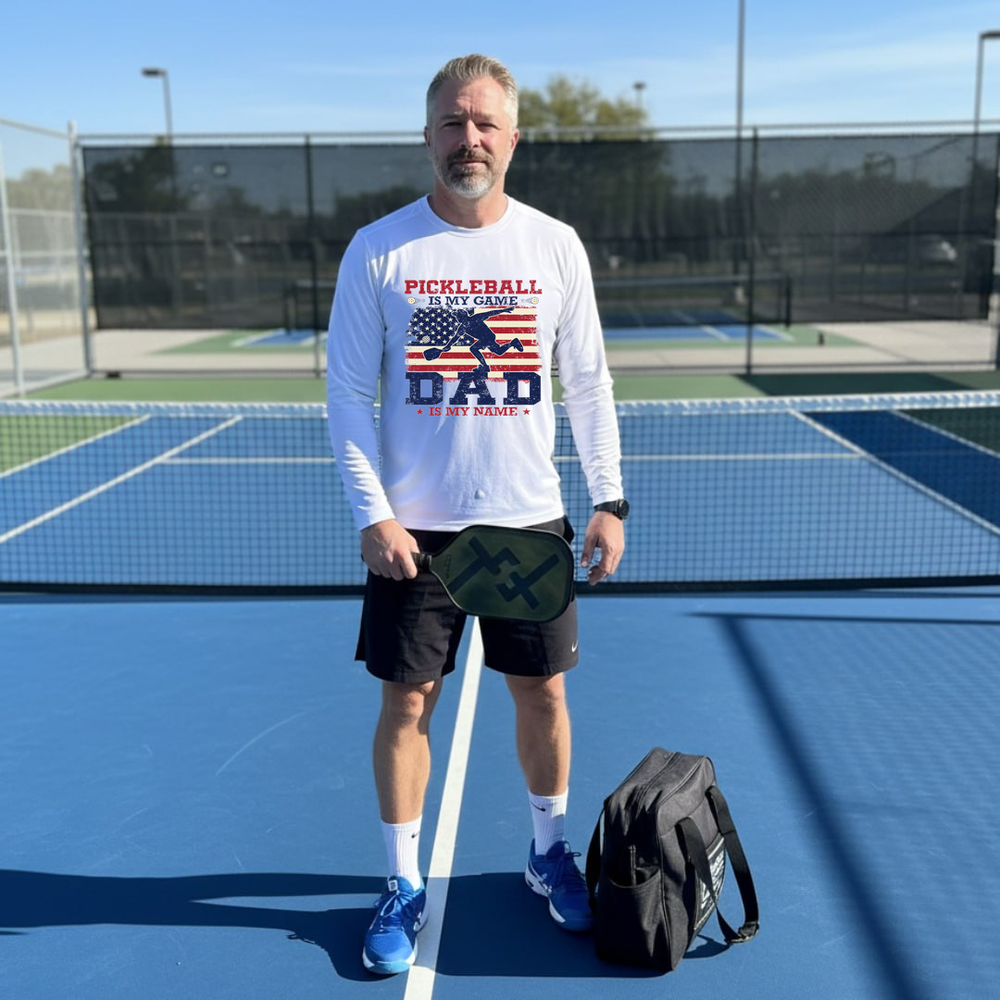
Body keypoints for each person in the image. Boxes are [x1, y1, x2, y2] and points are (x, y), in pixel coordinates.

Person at [326, 53, 627, 977]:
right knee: (406, 700)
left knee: (543, 693)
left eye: (486, 124)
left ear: (513, 137)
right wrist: (375, 515)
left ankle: (547, 855)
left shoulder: (555, 245)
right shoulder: (380, 250)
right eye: (454, 124)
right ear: (428, 136)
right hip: (416, 534)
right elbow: (344, 394)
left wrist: (608, 497)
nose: (470, 140)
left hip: (528, 524)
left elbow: (588, 382)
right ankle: (402, 881)